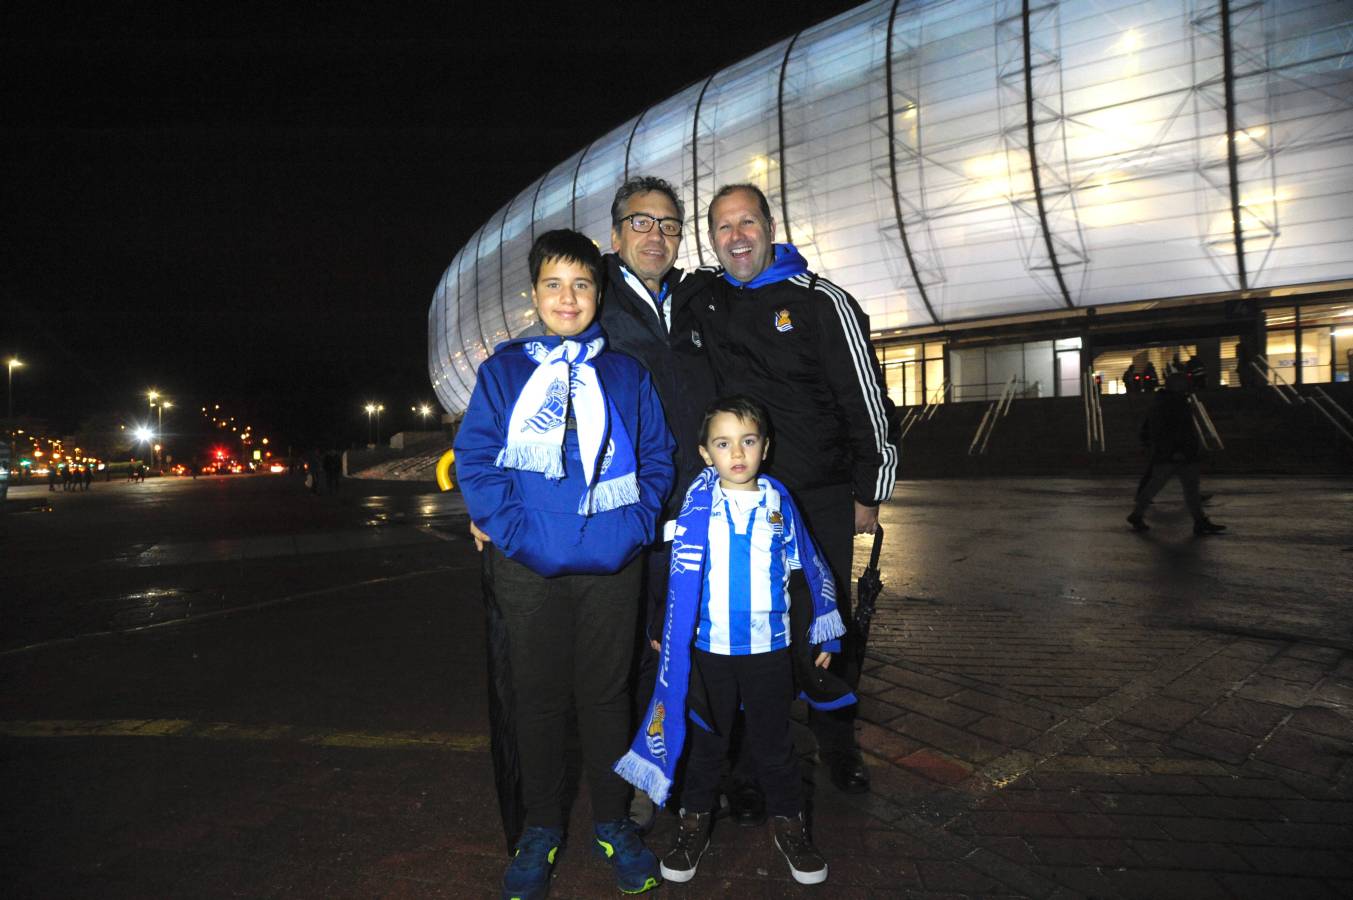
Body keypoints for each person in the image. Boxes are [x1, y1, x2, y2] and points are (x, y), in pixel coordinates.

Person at [453, 229, 674, 900]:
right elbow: (476, 460)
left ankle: (612, 821)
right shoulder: (503, 372)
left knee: (607, 698)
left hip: (612, 564)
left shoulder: (626, 373)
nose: (568, 297)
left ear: (598, 294)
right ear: (535, 293)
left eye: (581, 284)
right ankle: (541, 827)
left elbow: (658, 458)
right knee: (539, 700)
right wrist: (513, 531)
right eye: (554, 284)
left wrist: (632, 528)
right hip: (526, 566)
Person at [695, 183, 897, 795]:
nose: (737, 236)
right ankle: (755, 761)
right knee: (751, 630)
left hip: (817, 500)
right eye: (724, 226)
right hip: (742, 501)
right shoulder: (706, 300)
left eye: (747, 222)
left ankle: (838, 743)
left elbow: (866, 400)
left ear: (770, 227)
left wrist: (869, 490)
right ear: (712, 239)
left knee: (823, 623)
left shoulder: (820, 301)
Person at [616, 395, 847, 886]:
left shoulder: (780, 504)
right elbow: (672, 575)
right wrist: (660, 626)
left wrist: (819, 634)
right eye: (723, 444)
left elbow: (806, 573)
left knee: (775, 746)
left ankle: (791, 828)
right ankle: (692, 827)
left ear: (766, 446)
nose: (737, 453)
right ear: (705, 453)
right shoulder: (694, 508)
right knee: (706, 746)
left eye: (748, 441)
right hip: (709, 653)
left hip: (769, 651)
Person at [599, 175, 718, 831]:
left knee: (695, 649)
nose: (657, 235)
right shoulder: (593, 303)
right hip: (630, 519)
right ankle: (640, 779)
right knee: (634, 655)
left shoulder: (698, 305)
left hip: (697, 515)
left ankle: (695, 770)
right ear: (616, 235)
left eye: (669, 225)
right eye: (641, 222)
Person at [1127, 372, 1225, 535]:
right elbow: (1170, 430)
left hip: (1175, 453)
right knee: (1169, 486)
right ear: (1176, 385)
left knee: (1180, 487)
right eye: (1183, 382)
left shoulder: (1168, 402)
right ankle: (1138, 514)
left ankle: (1199, 520)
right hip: (1175, 453)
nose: (1187, 385)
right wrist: (1177, 450)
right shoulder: (1171, 403)